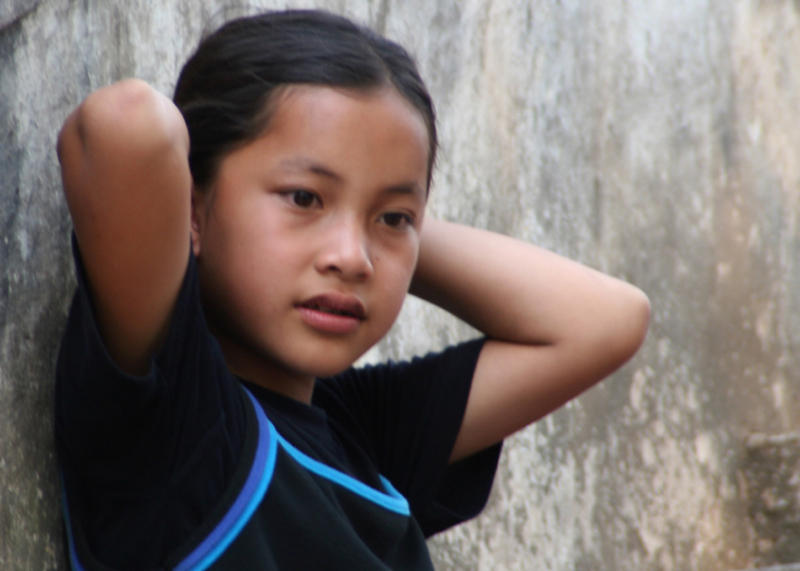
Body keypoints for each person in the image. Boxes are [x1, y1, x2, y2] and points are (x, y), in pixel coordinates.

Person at [54, 8, 650, 570]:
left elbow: (607, 319)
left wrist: (377, 214)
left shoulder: (358, 433)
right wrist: (371, 209)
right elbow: (127, 124)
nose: (352, 258)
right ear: (192, 204)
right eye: (304, 198)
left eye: (393, 219)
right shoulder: (182, 421)